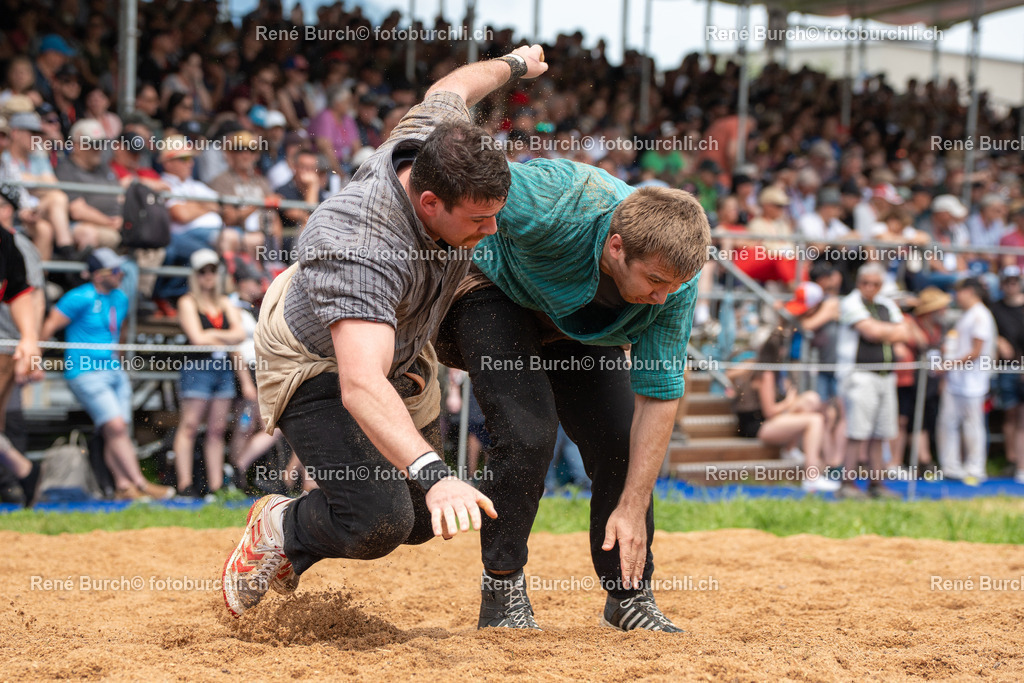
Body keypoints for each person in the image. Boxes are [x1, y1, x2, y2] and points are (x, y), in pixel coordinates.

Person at [221, 46, 548, 619]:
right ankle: (281, 525)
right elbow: (360, 383)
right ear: (430, 202)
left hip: (393, 341)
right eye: (479, 219)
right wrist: (435, 472)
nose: (493, 230)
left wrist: (514, 65)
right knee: (378, 519)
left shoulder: (436, 142)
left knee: (422, 518)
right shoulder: (358, 241)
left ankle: (312, 527)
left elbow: (450, 89)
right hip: (313, 354)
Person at [435, 178, 709, 631]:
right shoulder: (552, 200)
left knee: (622, 442)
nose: (662, 297)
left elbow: (659, 393)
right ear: (616, 247)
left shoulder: (675, 285)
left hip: (575, 327)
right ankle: (503, 588)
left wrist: (633, 506)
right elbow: (457, 175)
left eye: (673, 286)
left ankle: (628, 594)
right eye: (656, 281)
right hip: (492, 287)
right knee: (528, 433)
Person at [39, 249, 174, 500]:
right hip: (86, 372)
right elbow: (49, 326)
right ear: (97, 275)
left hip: (113, 371)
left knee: (118, 430)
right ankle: (141, 483)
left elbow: (119, 332)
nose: (120, 274)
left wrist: (119, 363)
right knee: (116, 427)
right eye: (114, 270)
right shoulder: (78, 297)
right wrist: (35, 362)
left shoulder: (120, 298)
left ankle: (123, 486)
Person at [172, 249, 249, 497]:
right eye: (203, 271)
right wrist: (225, 337)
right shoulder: (187, 302)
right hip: (198, 369)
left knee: (217, 429)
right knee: (190, 426)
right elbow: (197, 339)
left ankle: (216, 487)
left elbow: (239, 335)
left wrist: (212, 335)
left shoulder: (224, 302)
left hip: (222, 369)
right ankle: (184, 485)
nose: (208, 276)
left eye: (212, 270)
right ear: (195, 275)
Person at [728, 328, 839, 493]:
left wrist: (791, 400)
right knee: (814, 420)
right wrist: (788, 402)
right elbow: (769, 411)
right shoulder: (765, 373)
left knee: (811, 400)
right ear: (780, 350)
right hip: (757, 425)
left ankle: (794, 452)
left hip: (768, 421)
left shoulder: (776, 372)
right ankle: (811, 478)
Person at [836, 263, 910, 499]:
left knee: (881, 433)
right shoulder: (850, 302)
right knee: (857, 431)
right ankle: (847, 484)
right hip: (860, 374)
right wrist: (889, 332)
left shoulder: (886, 304)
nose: (870, 287)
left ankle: (876, 484)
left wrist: (882, 331)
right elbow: (872, 332)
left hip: (886, 376)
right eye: (865, 283)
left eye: (875, 284)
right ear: (858, 283)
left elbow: (905, 332)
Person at [937, 278, 996, 484]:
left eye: (958, 292)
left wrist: (948, 364)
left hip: (973, 382)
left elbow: (976, 351)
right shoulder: (967, 315)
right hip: (956, 380)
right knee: (948, 423)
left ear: (969, 291)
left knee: (973, 426)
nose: (956, 296)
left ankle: (975, 468)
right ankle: (951, 467)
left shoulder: (981, 315)